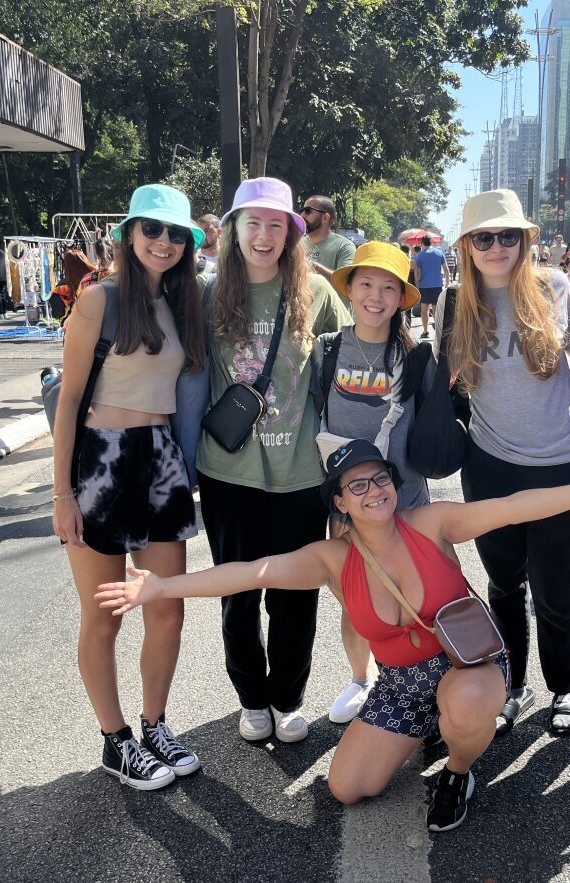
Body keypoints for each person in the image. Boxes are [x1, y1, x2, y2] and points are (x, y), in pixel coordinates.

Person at [97, 439, 570, 830]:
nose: (373, 491)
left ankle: (458, 771)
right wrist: (161, 588)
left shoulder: (430, 524)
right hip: (400, 688)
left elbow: (511, 507)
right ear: (339, 503)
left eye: (380, 478)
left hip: (469, 667)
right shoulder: (331, 558)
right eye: (356, 486)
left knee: (463, 702)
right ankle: (431, 729)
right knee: (347, 788)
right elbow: (251, 572)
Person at [51, 183, 207, 791]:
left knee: (166, 608)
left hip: (160, 459)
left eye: (176, 234)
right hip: (101, 462)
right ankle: (115, 741)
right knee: (104, 615)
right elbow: (68, 400)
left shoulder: (181, 302)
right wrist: (62, 494)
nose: (164, 243)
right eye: (153, 230)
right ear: (130, 233)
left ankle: (154, 725)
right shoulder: (100, 301)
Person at [197, 177, 351, 744]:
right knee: (239, 593)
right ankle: (251, 698)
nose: (263, 235)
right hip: (227, 471)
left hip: (300, 473)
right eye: (252, 223)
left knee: (295, 595)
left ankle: (287, 697)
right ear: (234, 229)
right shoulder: (208, 293)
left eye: (275, 224)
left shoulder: (317, 291)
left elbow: (350, 365)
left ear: (292, 231)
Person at [441, 189, 570, 737]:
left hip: (561, 462)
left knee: (555, 589)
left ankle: (564, 686)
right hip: (491, 463)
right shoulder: (455, 301)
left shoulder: (554, 286)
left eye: (509, 236)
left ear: (525, 240)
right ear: (468, 246)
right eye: (485, 237)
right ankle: (512, 685)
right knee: (504, 584)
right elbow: (445, 379)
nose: (498, 246)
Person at [310, 242, 434, 725]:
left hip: (405, 498)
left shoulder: (417, 356)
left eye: (388, 287)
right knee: (357, 596)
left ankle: (411, 680)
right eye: (366, 283)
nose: (375, 296)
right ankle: (362, 678)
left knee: (415, 595)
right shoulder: (327, 348)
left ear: (402, 298)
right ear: (350, 288)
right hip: (348, 503)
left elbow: (428, 421)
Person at [302, 195, 356, 282]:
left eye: (308, 211)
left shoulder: (344, 247)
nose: (302, 215)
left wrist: (312, 266)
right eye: (302, 211)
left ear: (325, 218)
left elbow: (345, 283)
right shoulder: (296, 244)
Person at [413, 234, 448, 340]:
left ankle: (425, 331)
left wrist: (417, 284)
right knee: (436, 310)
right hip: (437, 285)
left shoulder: (419, 255)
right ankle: (438, 331)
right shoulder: (439, 253)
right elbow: (446, 269)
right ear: (431, 242)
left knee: (424, 310)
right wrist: (447, 281)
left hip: (424, 286)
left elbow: (417, 271)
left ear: (422, 243)